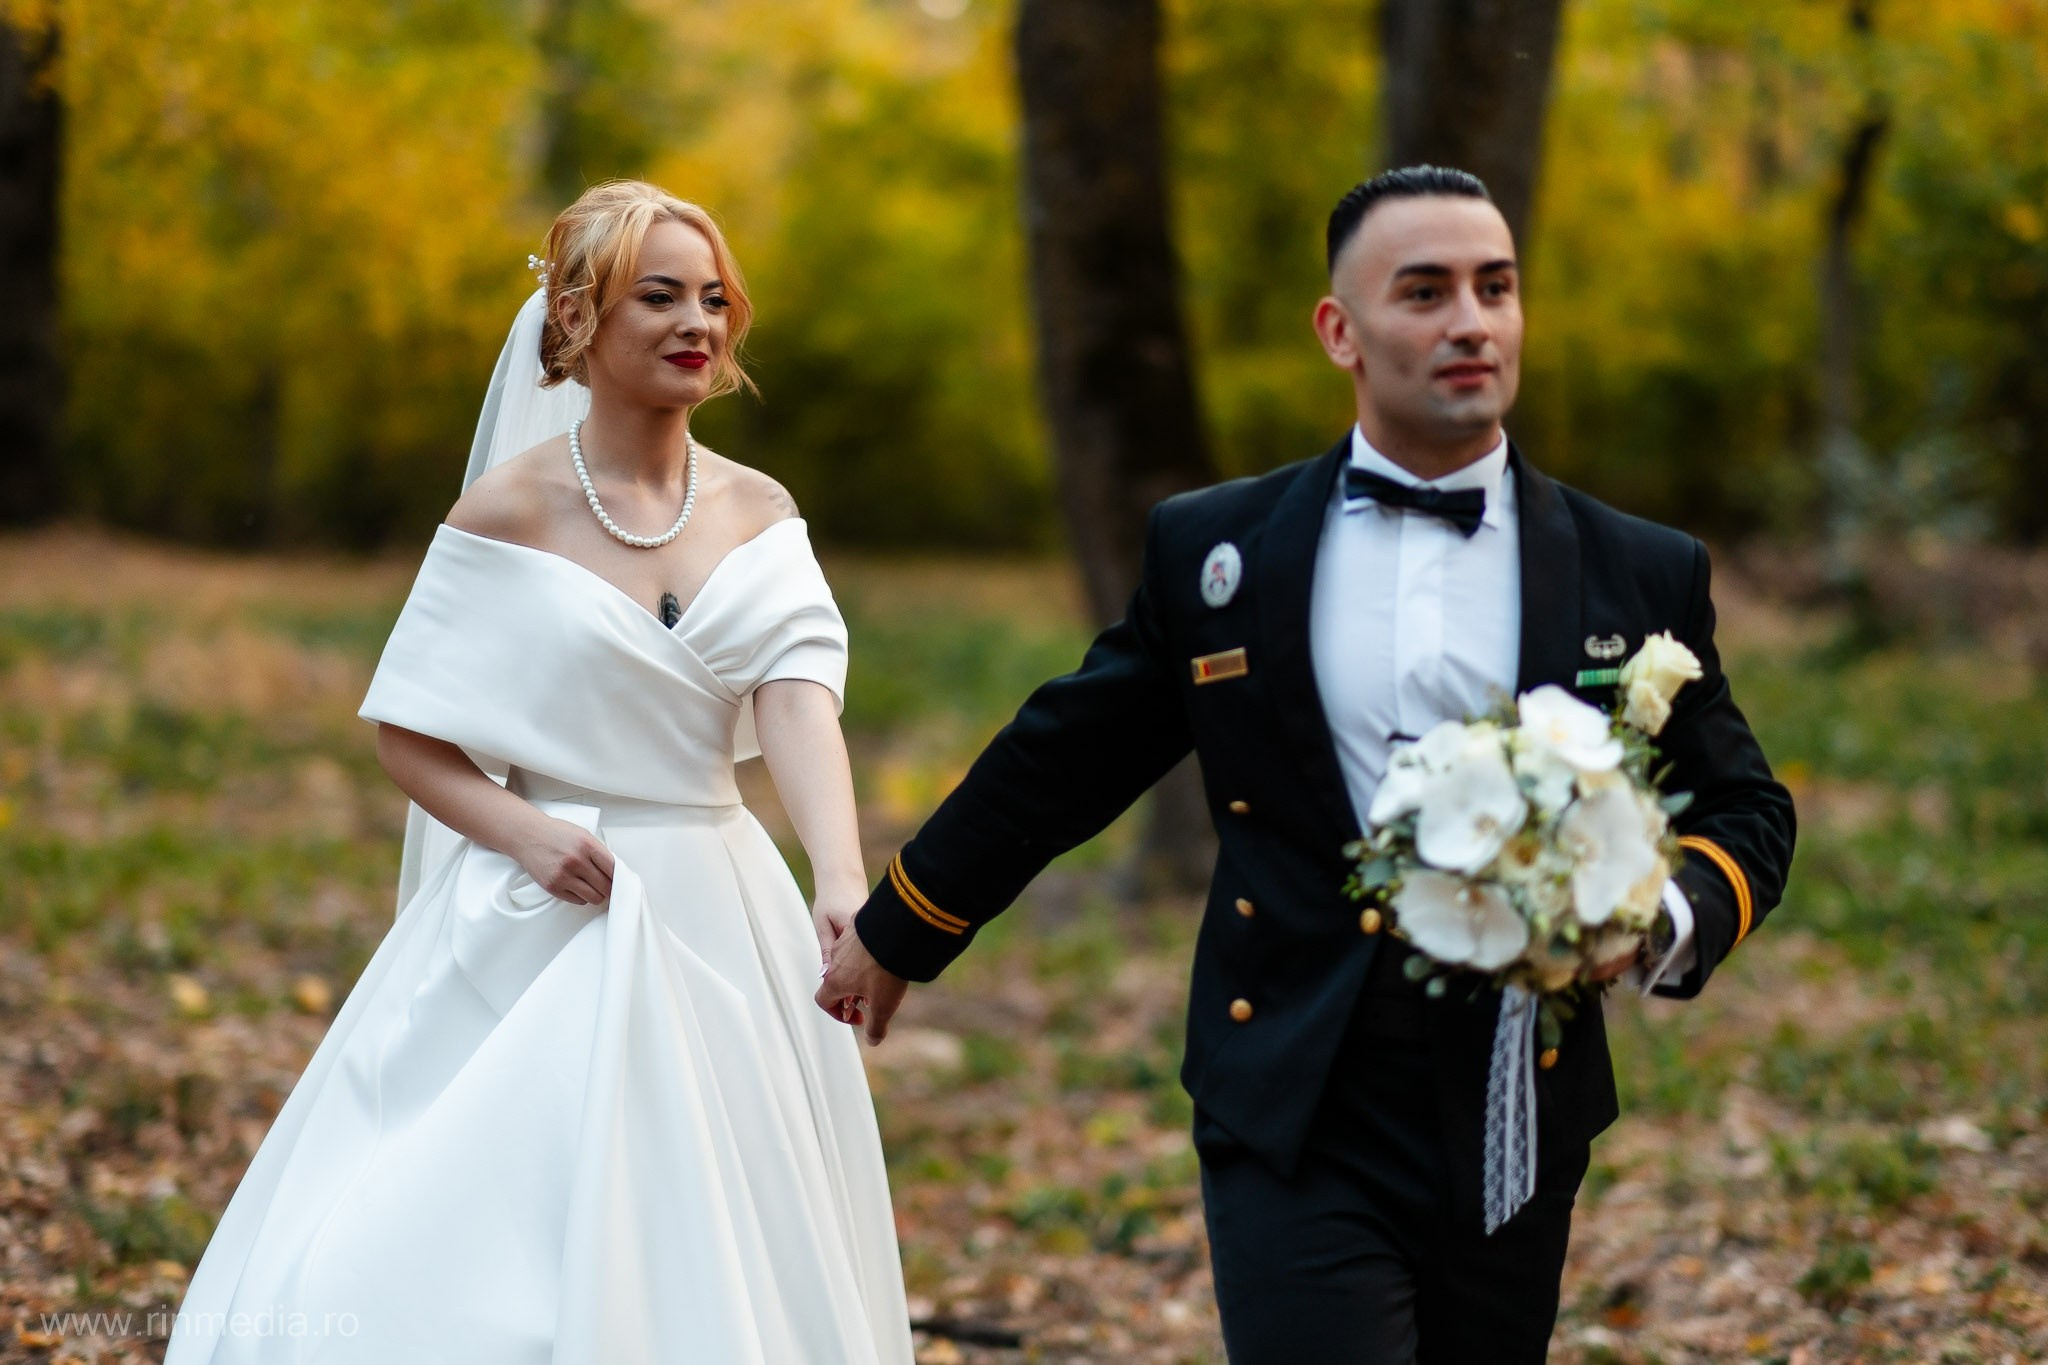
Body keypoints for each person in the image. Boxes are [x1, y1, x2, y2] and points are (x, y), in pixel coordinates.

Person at [816, 166, 1795, 1362]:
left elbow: (1743, 807)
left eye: (1493, 287)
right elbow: (1069, 752)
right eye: (1423, 292)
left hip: (1512, 1092)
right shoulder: (1217, 548)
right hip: (1288, 1076)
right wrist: (902, 925)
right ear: (1340, 330)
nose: (1469, 322)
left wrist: (1655, 917)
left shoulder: (1635, 568)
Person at [166, 181, 913, 1365]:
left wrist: (836, 872)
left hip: (717, 902)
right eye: (659, 296)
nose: (697, 325)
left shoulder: (761, 511)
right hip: (550, 905)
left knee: (718, 1213)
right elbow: (409, 735)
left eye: (713, 300)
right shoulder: (504, 511)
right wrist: (521, 833)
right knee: (497, 1212)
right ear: (577, 319)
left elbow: (797, 702)